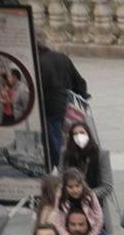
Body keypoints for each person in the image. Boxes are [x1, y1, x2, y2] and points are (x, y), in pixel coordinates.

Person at [37, 37, 89, 169]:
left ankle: (60, 168)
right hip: (69, 107)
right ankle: (76, 165)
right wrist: (82, 99)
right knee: (72, 138)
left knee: (56, 143)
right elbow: (80, 82)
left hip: (50, 109)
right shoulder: (62, 57)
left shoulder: (37, 63)